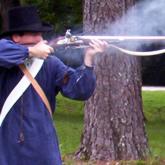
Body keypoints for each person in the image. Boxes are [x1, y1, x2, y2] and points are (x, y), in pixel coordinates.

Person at [0, 5, 108, 165]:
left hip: (43, 148)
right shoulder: (5, 58)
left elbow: (80, 90)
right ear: (16, 37)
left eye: (40, 34)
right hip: (7, 148)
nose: (39, 39)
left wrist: (89, 59)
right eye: (33, 34)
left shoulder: (50, 63)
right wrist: (30, 52)